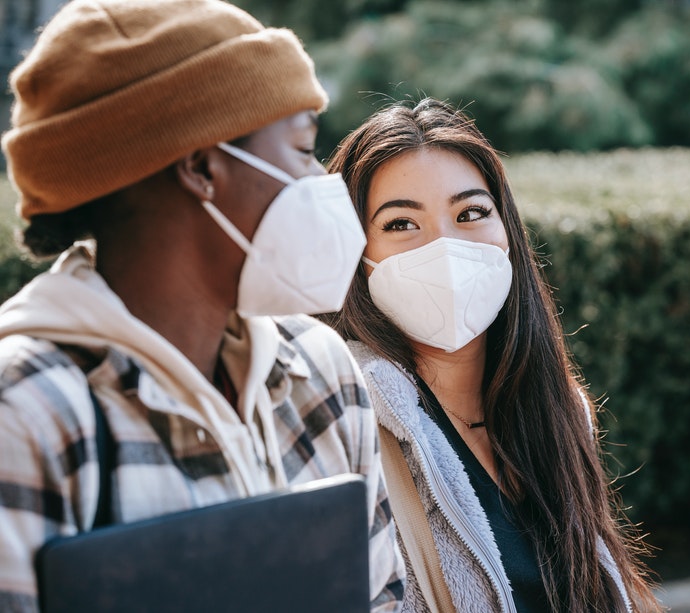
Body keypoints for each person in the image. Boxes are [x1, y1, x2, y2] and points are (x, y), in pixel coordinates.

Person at [0, 1, 404, 611]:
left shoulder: (321, 374)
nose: (321, 180)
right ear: (200, 167)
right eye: (300, 150)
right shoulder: (28, 414)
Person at [322, 98, 661, 612]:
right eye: (400, 224)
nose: (445, 246)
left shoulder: (560, 411)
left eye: (471, 213)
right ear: (356, 255)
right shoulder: (343, 426)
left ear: (507, 235)